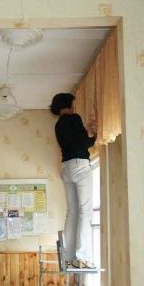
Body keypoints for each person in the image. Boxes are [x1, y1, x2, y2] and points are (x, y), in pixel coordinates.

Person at [50, 92, 97, 269]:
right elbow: (85, 143)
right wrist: (96, 135)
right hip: (80, 165)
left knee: (72, 212)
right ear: (69, 105)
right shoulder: (74, 118)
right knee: (85, 211)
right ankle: (83, 256)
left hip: (66, 168)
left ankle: (68, 256)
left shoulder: (58, 125)